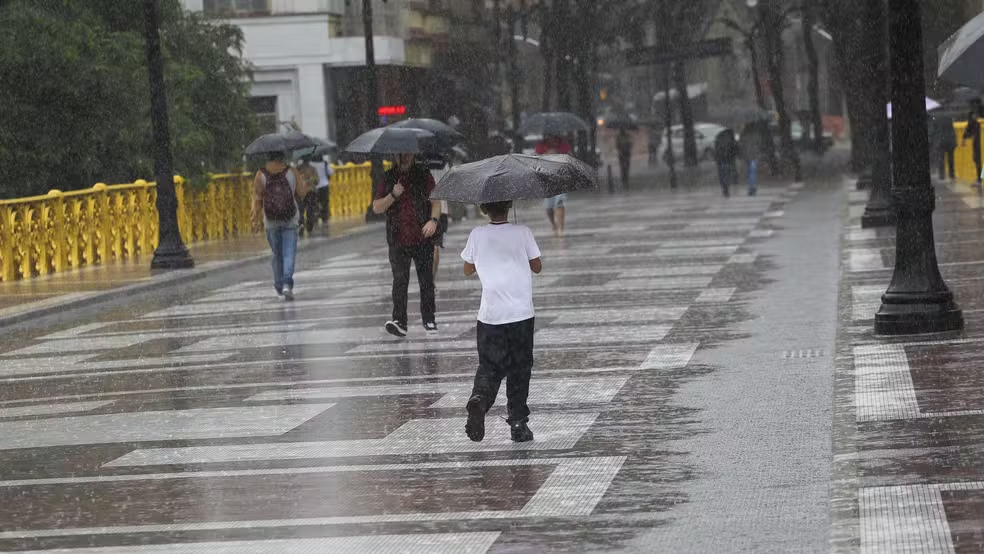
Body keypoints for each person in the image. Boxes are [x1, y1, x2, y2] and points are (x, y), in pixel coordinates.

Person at [461, 200, 542, 444]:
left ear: (484, 209)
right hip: (520, 315)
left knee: (489, 366)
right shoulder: (523, 232)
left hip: (490, 316)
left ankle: (480, 399)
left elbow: (467, 269)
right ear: (509, 205)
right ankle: (518, 423)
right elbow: (537, 266)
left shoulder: (477, 234)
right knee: (519, 368)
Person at [372, 153, 441, 337]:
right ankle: (399, 321)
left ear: (414, 154)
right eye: (400, 153)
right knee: (399, 282)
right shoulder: (387, 178)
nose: (404, 157)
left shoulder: (424, 176)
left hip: (422, 238)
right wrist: (393, 194)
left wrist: (433, 221)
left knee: (426, 280)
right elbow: (377, 207)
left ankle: (429, 318)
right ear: (394, 155)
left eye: (407, 153)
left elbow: (436, 202)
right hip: (397, 239)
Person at [251, 152, 309, 301]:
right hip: (290, 218)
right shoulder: (292, 171)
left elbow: (257, 198)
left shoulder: (260, 174)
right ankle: (286, 285)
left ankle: (279, 285)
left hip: (271, 220)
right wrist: (303, 185)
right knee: (289, 253)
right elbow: (302, 194)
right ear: (283, 156)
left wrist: (255, 219)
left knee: (277, 254)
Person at [535, 135, 572, 237]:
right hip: (547, 180)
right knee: (549, 207)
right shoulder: (541, 146)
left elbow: (569, 160)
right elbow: (536, 161)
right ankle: (554, 224)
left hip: (560, 179)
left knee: (559, 203)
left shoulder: (563, 146)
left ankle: (561, 227)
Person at [739, 121, 765, 196]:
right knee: (753, 171)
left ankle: (751, 187)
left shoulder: (743, 134)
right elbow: (760, 143)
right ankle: (752, 187)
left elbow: (741, 144)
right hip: (754, 155)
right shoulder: (756, 134)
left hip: (746, 155)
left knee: (750, 171)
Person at [713, 128, 740, 198]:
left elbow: (716, 148)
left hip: (720, 159)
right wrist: (735, 155)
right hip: (727, 158)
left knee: (722, 173)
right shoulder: (730, 139)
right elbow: (734, 148)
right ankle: (726, 188)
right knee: (727, 173)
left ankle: (724, 187)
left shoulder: (719, 137)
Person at [296, 157, 319, 235]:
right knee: (310, 210)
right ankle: (309, 227)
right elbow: (317, 181)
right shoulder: (313, 169)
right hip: (310, 192)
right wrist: (310, 181)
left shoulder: (298, 169)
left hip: (300, 193)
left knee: (300, 210)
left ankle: (301, 225)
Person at [963, 99, 983, 186]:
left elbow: (969, 128)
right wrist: (964, 137)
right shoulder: (972, 117)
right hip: (977, 143)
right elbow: (969, 127)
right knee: (978, 160)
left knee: (979, 160)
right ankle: (979, 178)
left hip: (979, 142)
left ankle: (980, 179)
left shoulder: (978, 116)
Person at [314, 155, 334, 223]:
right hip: (324, 185)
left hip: (315, 187)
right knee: (325, 203)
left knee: (315, 203)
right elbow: (331, 172)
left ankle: (316, 216)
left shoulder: (311, 164)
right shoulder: (325, 164)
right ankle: (324, 217)